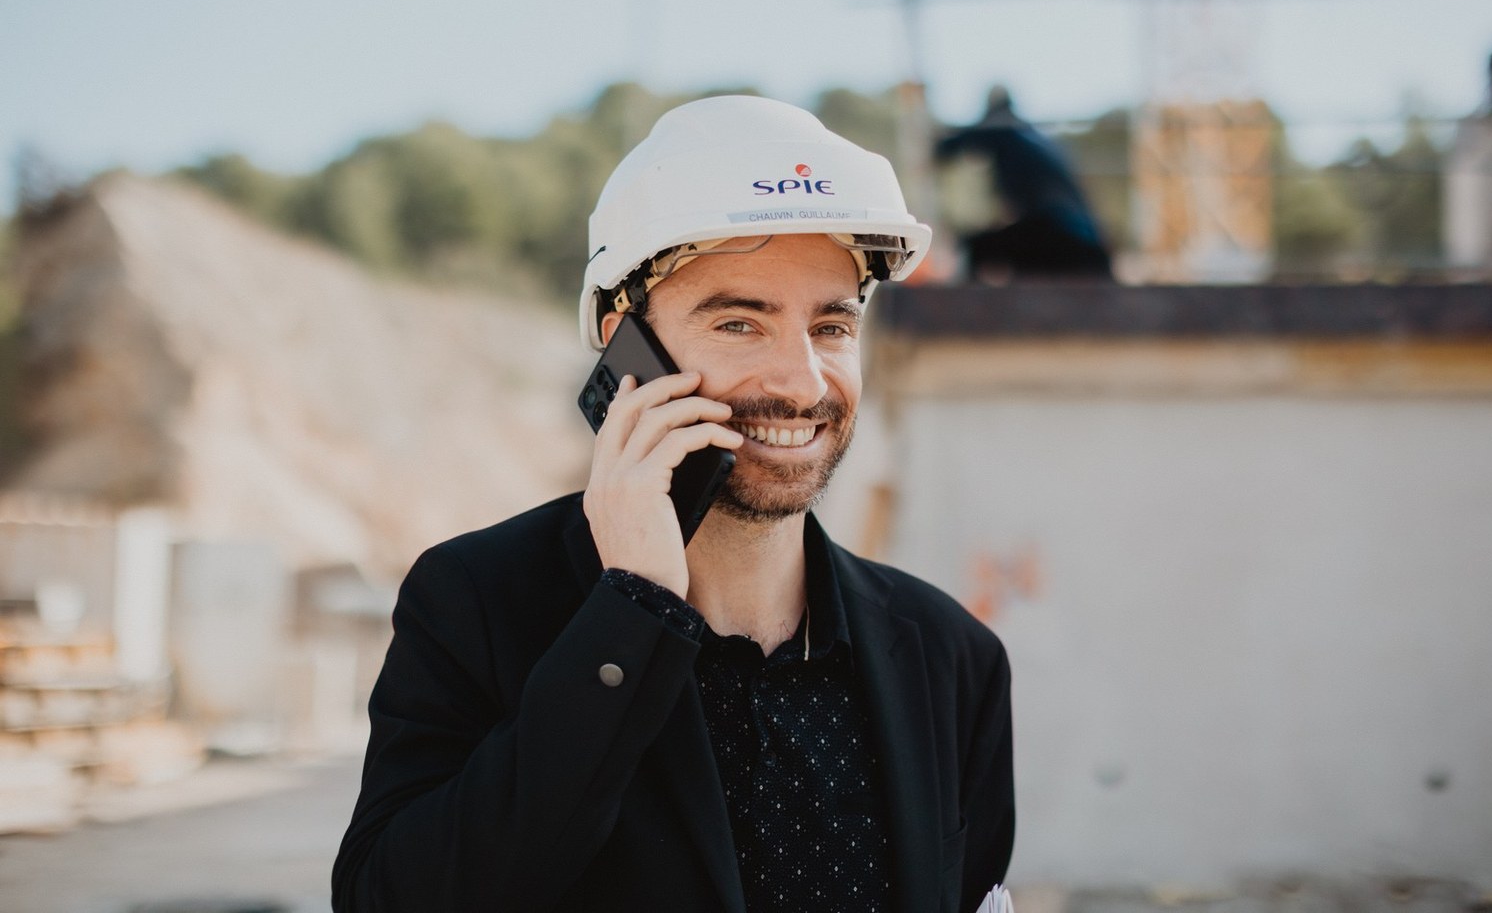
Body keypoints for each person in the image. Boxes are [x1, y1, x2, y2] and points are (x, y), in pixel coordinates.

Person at [332, 96, 1015, 913]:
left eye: (831, 328)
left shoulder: (951, 658)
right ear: (631, 350)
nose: (801, 382)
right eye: (737, 323)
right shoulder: (476, 602)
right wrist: (632, 616)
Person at [936, 85, 1112, 280]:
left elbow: (950, 147)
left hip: (1063, 233)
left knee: (975, 247)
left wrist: (932, 145)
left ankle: (962, 307)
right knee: (1007, 248)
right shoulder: (1034, 137)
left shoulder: (1003, 129)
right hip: (1084, 241)